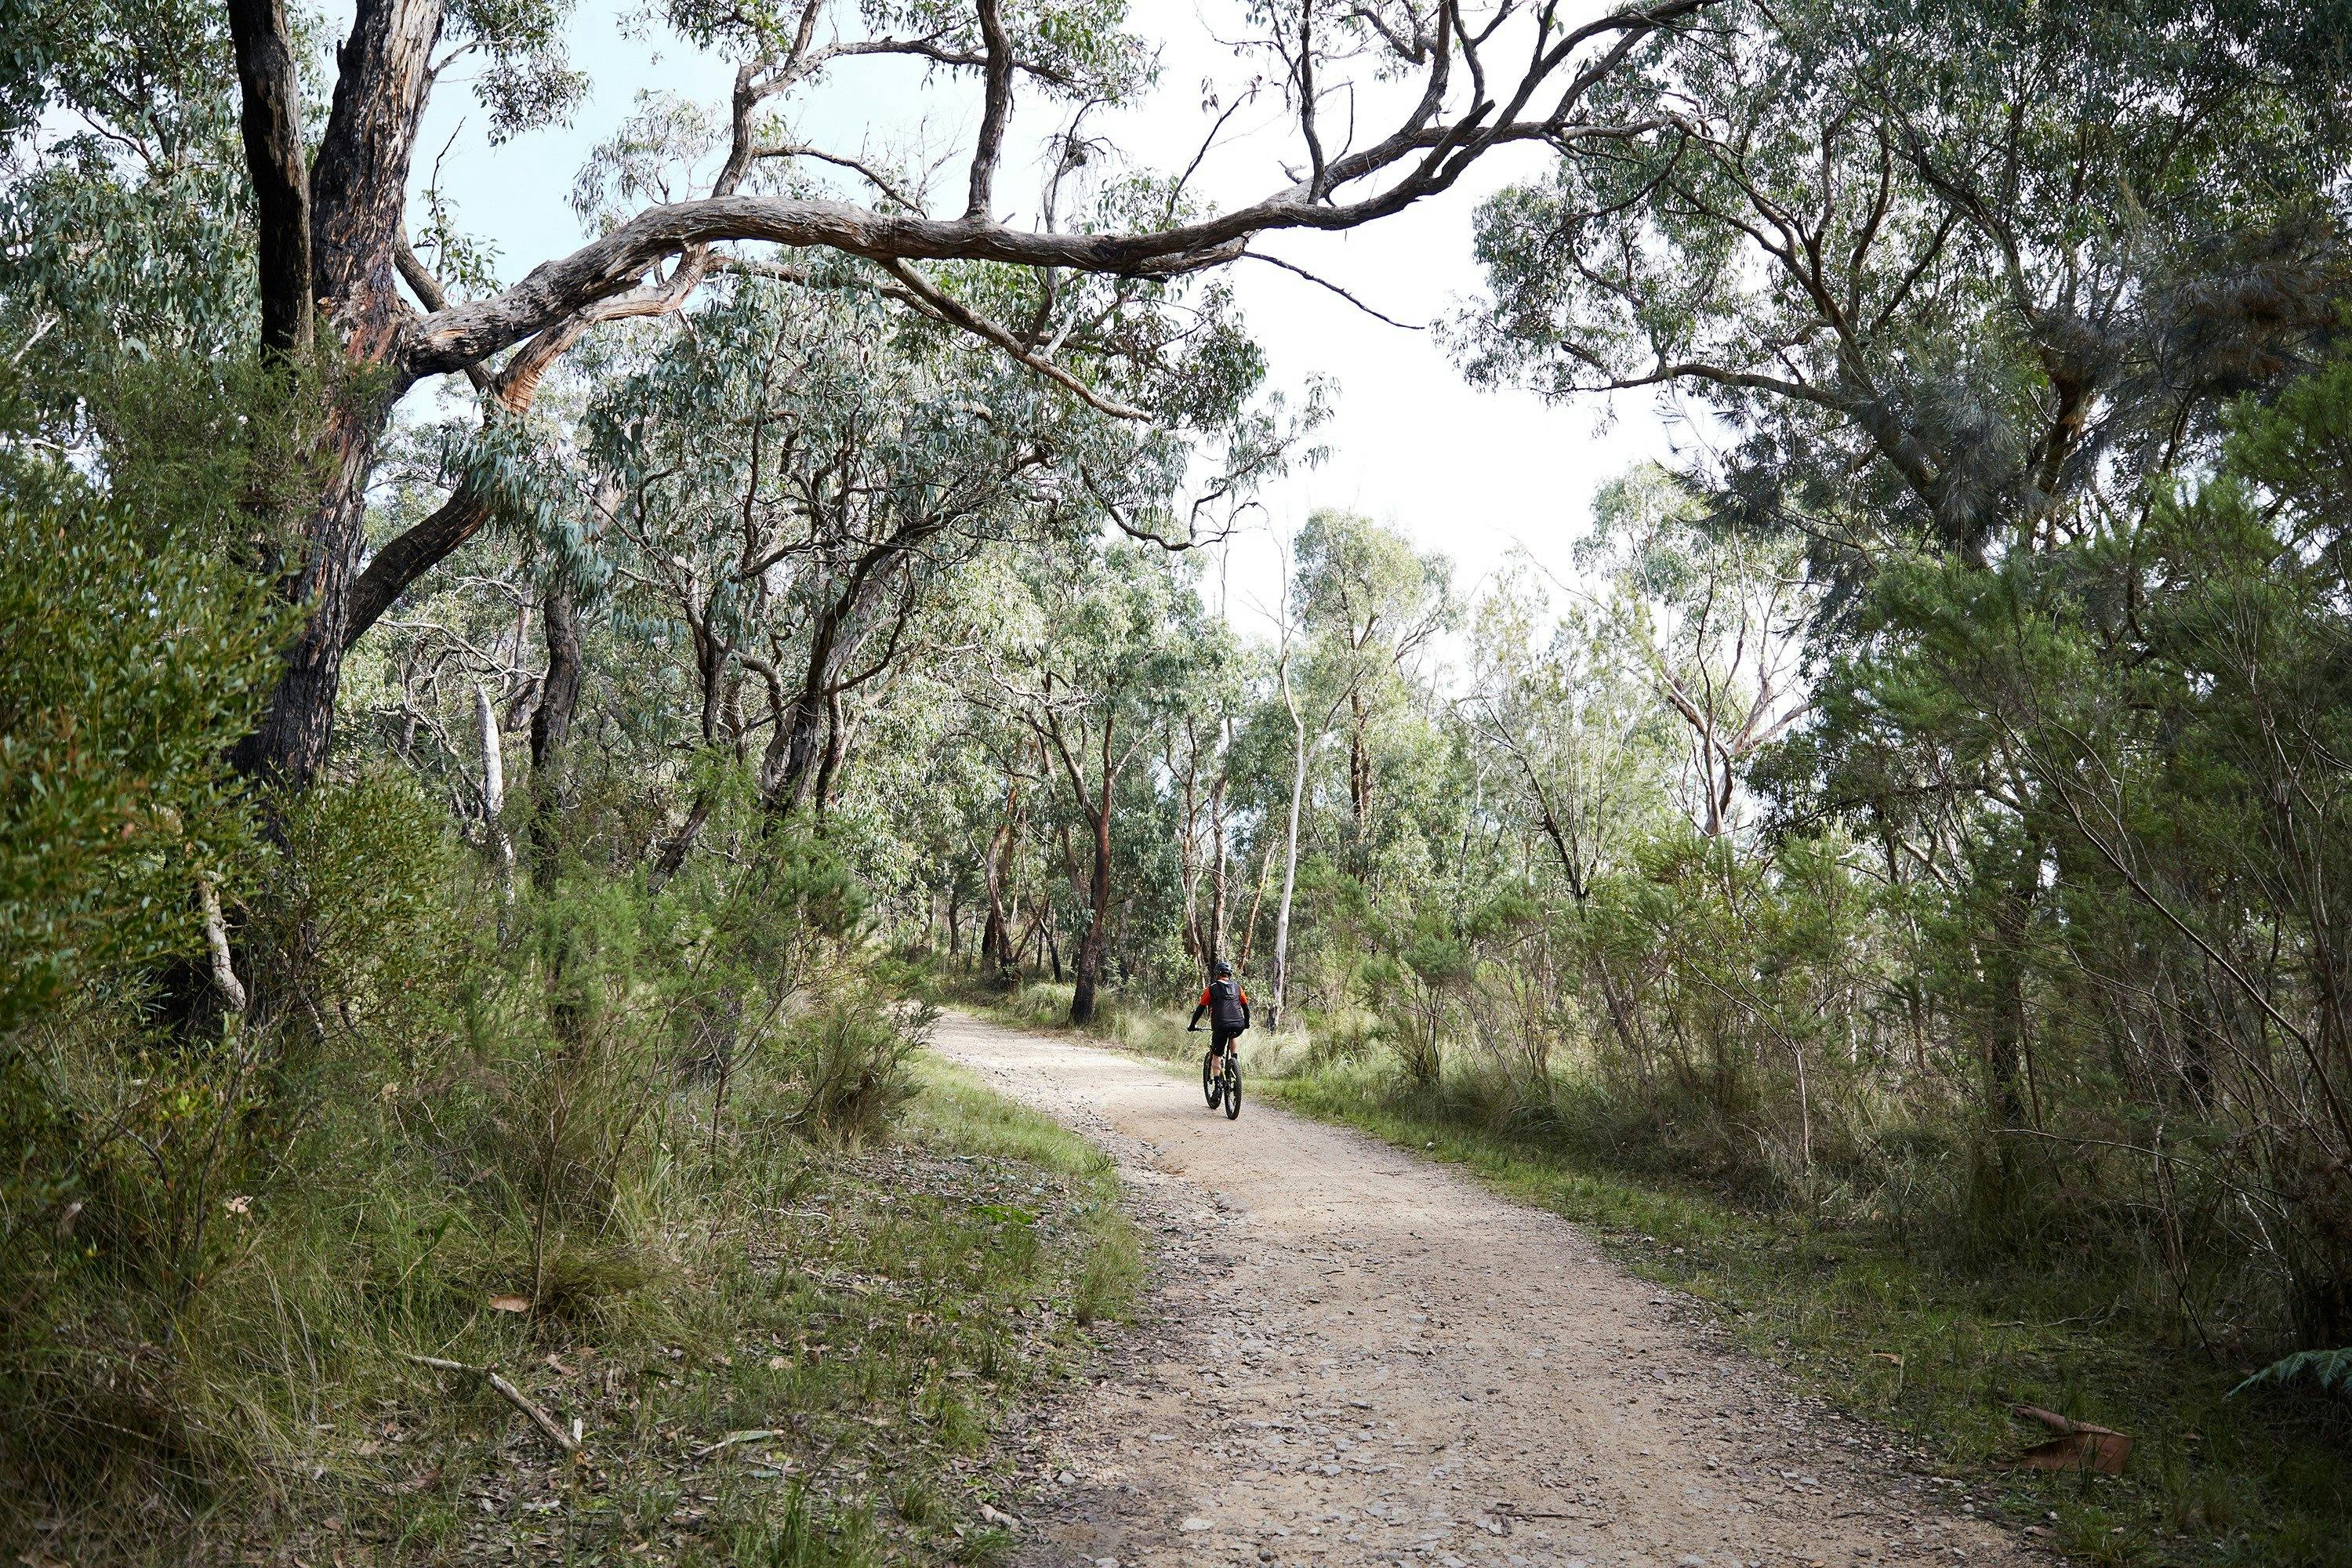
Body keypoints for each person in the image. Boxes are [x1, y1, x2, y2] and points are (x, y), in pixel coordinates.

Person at [1189, 958, 1250, 1087]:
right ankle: (1234, 1059)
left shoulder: (1212, 989)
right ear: (1230, 974)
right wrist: (1247, 1023)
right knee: (1234, 1034)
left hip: (1221, 1025)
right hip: (1239, 1024)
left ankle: (1217, 1085)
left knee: (1217, 1055)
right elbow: (1246, 1007)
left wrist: (1193, 1025)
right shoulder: (1238, 988)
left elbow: (1200, 1008)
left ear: (1217, 974)